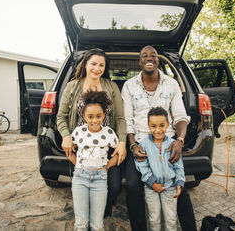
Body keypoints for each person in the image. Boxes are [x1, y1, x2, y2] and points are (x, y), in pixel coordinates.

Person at [121, 45, 197, 231]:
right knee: (132, 186)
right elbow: (127, 120)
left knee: (181, 186)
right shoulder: (129, 86)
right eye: (144, 56)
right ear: (139, 62)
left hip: (167, 142)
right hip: (139, 142)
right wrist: (132, 146)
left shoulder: (171, 84)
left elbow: (180, 116)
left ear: (158, 60)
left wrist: (179, 141)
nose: (149, 58)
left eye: (153, 56)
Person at [56, 48, 127, 217]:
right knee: (84, 186)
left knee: (115, 186)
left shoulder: (111, 86)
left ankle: (101, 214)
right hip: (81, 147)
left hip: (107, 145)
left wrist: (122, 142)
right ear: (85, 64)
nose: (97, 68)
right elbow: (61, 116)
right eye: (93, 63)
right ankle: (86, 217)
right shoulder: (73, 86)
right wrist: (66, 136)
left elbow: (120, 118)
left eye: (101, 65)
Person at [67, 90, 119, 230]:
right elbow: (69, 151)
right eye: (90, 116)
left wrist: (107, 166)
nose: (95, 120)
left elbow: (118, 153)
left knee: (97, 224)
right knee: (81, 223)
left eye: (98, 116)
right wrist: (78, 165)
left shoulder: (108, 133)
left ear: (104, 115)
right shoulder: (78, 132)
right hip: (80, 178)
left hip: (100, 179)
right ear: (84, 116)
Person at [135, 107, 185, 231]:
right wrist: (152, 183)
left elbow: (179, 166)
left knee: (171, 219)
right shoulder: (144, 144)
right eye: (153, 126)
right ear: (148, 126)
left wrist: (179, 182)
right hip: (151, 188)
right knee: (154, 219)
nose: (158, 130)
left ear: (168, 125)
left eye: (162, 125)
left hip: (170, 187)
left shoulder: (173, 144)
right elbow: (142, 166)